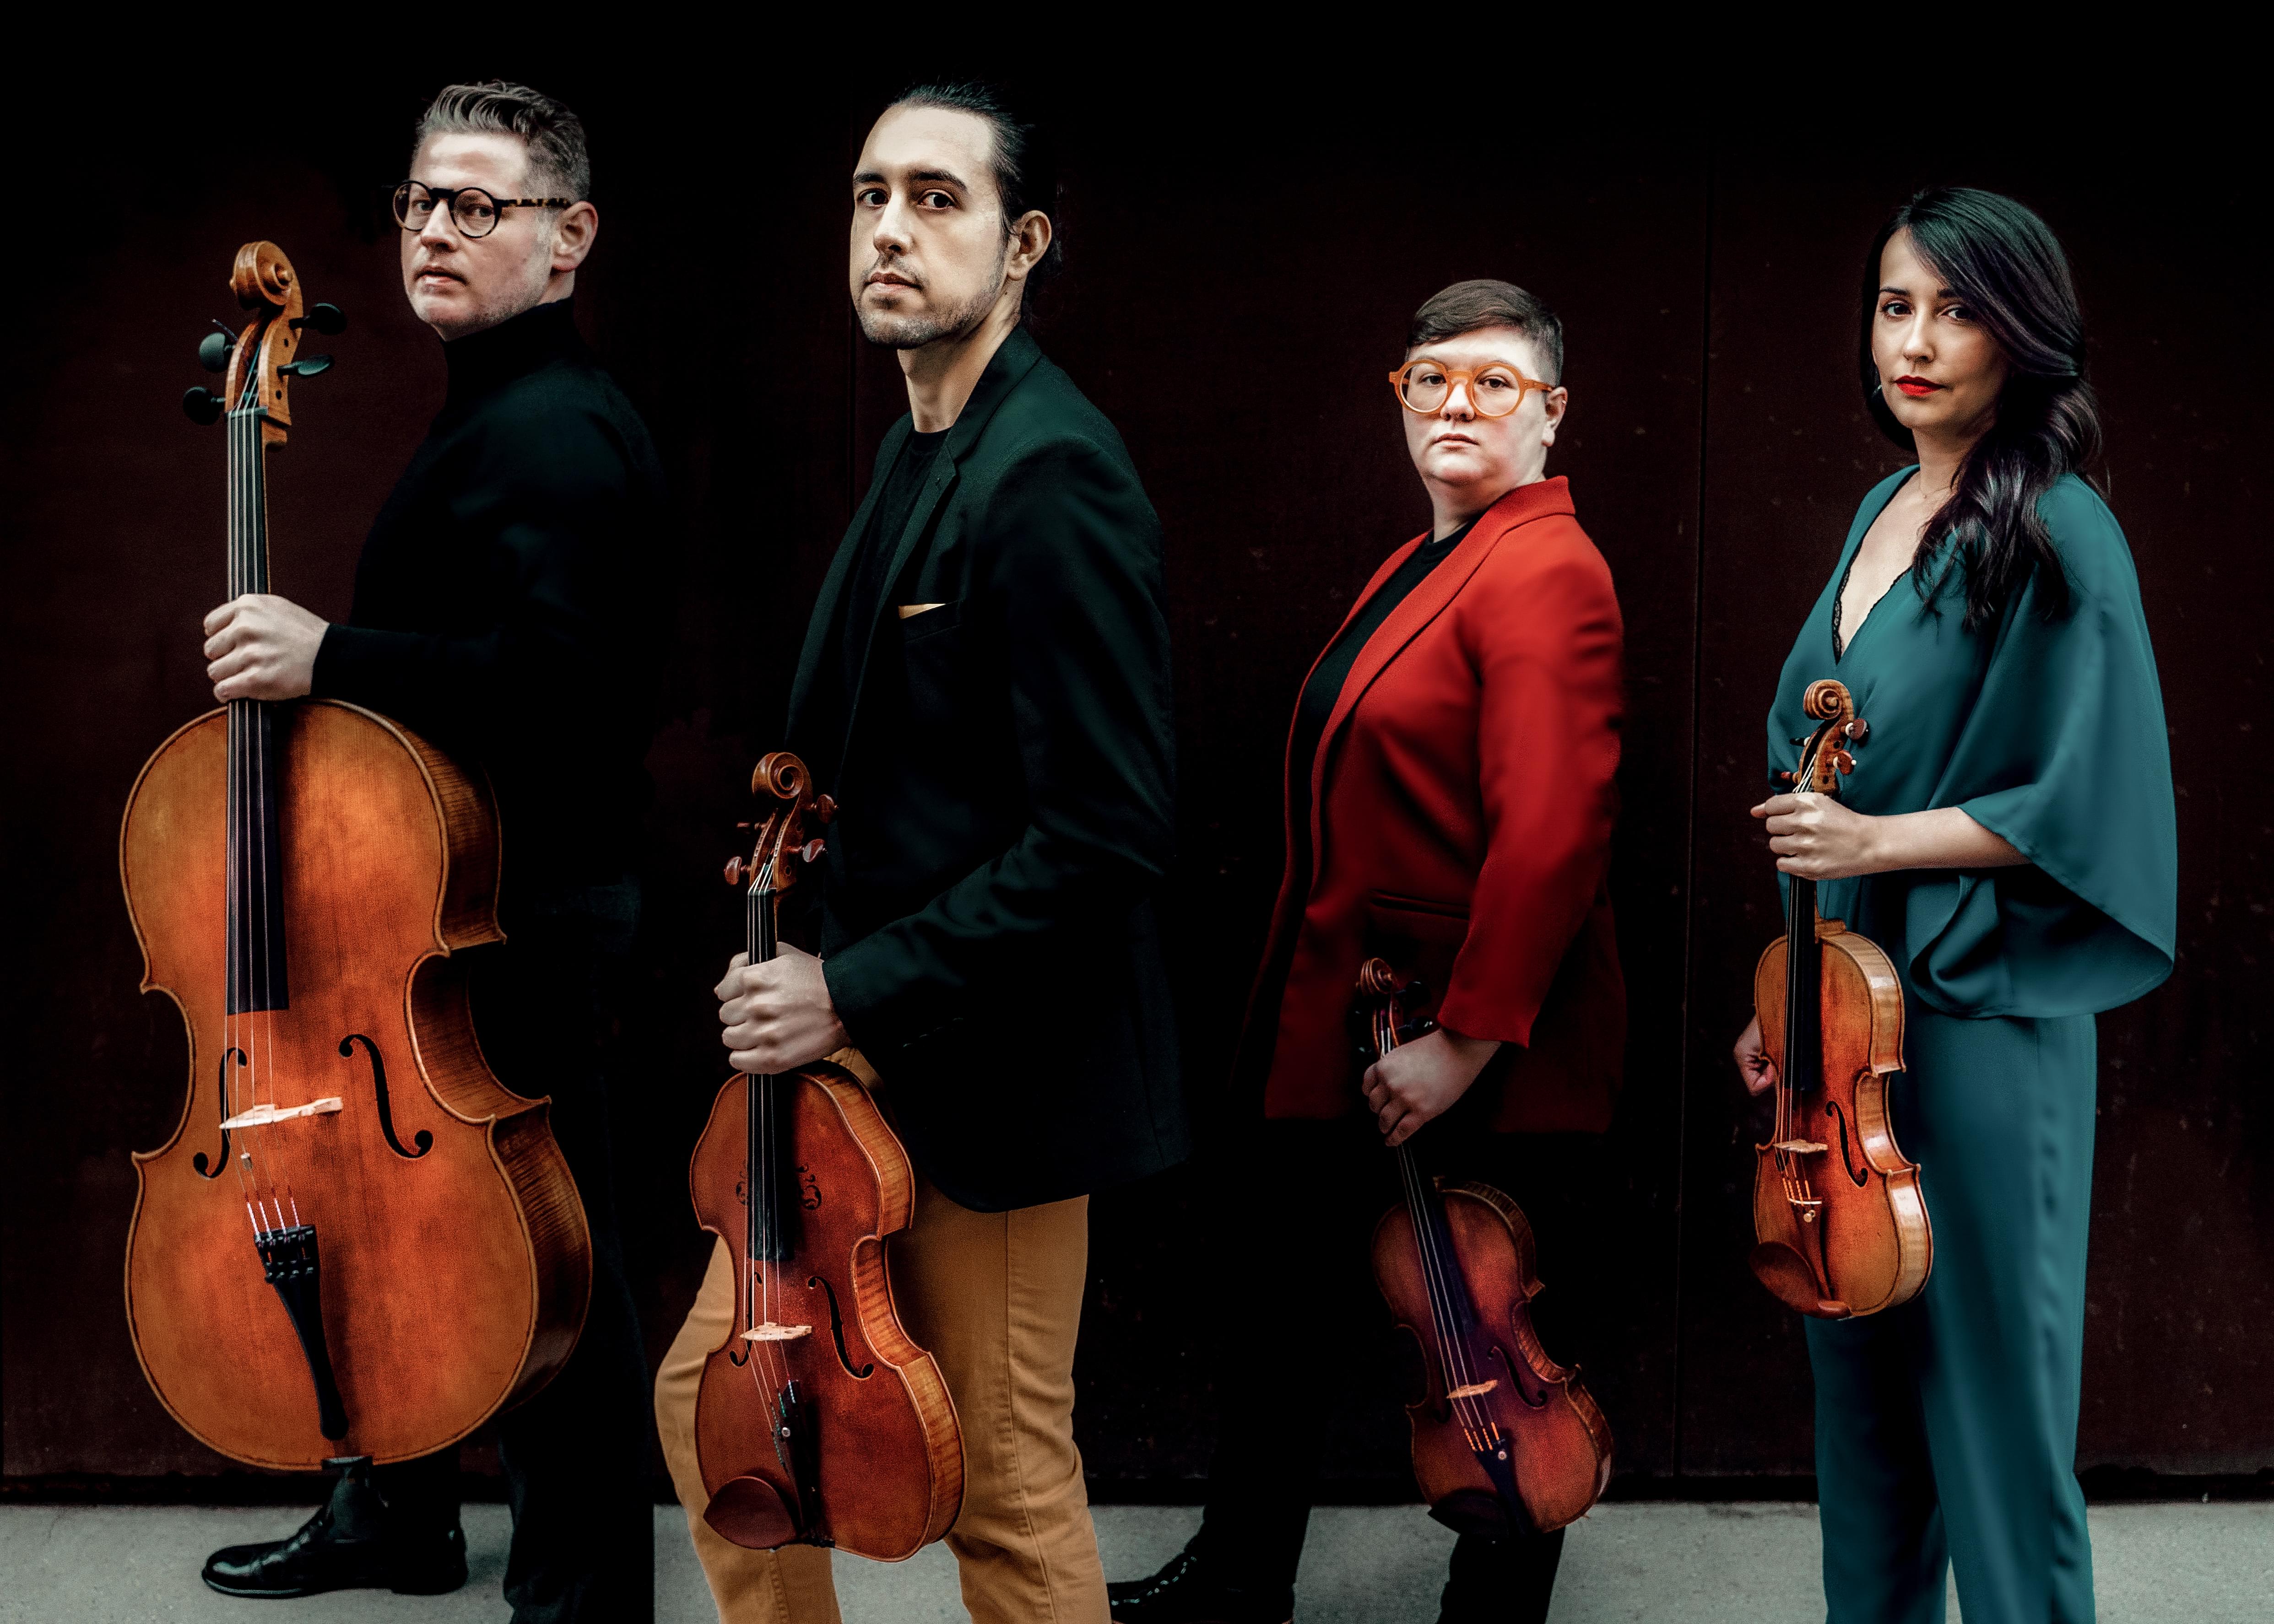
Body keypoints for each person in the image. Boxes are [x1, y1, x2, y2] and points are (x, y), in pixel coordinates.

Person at [651, 82, 1186, 1624]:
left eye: (938, 199)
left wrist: (850, 986)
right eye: (871, 195)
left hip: (1000, 1075)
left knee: (1004, 1488)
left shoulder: (1052, 470)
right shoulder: (920, 447)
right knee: (717, 1413)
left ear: (1023, 245)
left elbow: (1109, 831)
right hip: (860, 1066)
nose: (891, 228)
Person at [194, 80, 665, 1621]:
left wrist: (331, 656)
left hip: (530, 911)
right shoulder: (498, 405)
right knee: (426, 1231)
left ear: (569, 238)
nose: (434, 233)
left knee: (549, 1279)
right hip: (460, 906)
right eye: (419, 203)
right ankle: (394, 1515)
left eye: (478, 206)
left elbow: (572, 691)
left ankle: (580, 1604)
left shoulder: (557, 430)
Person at [1109, 279, 1625, 1624]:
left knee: (1497, 1356)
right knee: (1284, 1312)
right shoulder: (1432, 555)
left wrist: (1467, 1041)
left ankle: (1487, 1619)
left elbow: (1555, 832)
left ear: (1552, 415)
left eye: (1495, 383)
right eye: (1430, 379)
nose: (1457, 404)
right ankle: (1239, 1581)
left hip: (1468, 1048)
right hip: (1368, 1024)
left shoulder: (1549, 566)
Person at [1733, 187, 2175, 1624]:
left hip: (1983, 1015)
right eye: (1895, 305)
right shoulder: (1883, 507)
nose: (1915, 342)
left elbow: (2086, 798)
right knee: (1861, 1417)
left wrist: (1873, 838)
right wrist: (1790, 998)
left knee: (1995, 1421)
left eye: (1959, 310)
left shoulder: (2061, 529)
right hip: (1847, 1021)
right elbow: (1821, 768)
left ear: (2024, 334)